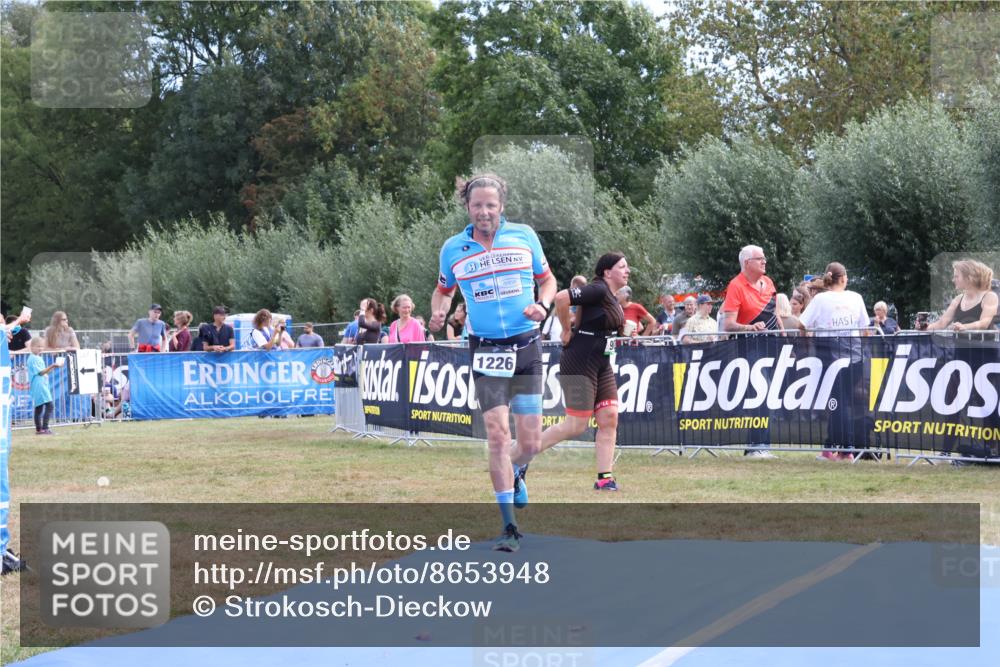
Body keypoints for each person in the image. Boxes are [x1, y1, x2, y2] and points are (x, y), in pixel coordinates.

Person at [429, 172, 556, 553]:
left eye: (491, 205)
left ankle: (518, 471)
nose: (484, 212)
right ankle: (509, 527)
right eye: (477, 205)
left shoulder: (524, 236)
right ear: (466, 207)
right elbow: (443, 290)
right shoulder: (453, 248)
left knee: (530, 442)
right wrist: (438, 313)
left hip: (526, 345)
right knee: (499, 435)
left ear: (502, 206)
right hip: (484, 349)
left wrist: (543, 305)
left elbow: (547, 280)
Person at [513, 252, 628, 491]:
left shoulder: (611, 297)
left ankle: (605, 478)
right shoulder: (598, 289)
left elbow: (601, 324)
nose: (627, 271)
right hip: (579, 361)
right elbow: (562, 297)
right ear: (607, 272)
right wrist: (566, 330)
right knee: (576, 425)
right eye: (623, 267)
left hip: (602, 364)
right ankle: (520, 457)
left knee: (609, 417)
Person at [799, 262, 871, 461]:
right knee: (838, 403)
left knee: (837, 403)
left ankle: (845, 450)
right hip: (855, 358)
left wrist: (808, 343)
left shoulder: (821, 299)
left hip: (830, 359)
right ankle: (830, 447)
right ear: (844, 278)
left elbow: (802, 324)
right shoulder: (856, 297)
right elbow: (865, 329)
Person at [721, 245, 783, 457]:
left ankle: (761, 445)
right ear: (747, 263)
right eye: (760, 258)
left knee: (771, 394)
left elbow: (775, 315)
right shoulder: (736, 286)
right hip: (750, 347)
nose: (765, 261)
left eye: (764, 258)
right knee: (760, 393)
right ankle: (756, 446)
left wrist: (785, 337)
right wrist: (750, 327)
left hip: (773, 345)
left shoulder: (769, 283)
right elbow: (728, 324)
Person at [926, 259, 998, 334]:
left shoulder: (989, 297)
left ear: (969, 278)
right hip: (959, 345)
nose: (953, 280)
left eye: (956, 276)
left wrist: (964, 327)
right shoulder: (958, 299)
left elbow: (984, 323)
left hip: (982, 345)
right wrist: (925, 327)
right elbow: (941, 324)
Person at [27, 338, 59, 435]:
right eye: (38, 346)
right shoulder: (34, 358)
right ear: (32, 347)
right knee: (50, 406)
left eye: (42, 347)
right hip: (39, 386)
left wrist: (53, 367)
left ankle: (39, 429)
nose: (40, 349)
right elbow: (41, 372)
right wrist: (53, 365)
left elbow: (44, 371)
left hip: (40, 385)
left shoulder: (37, 358)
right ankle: (44, 428)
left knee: (39, 408)